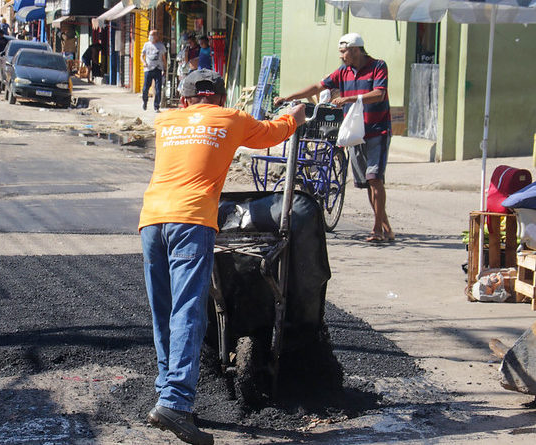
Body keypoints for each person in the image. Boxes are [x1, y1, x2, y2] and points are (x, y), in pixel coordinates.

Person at [139, 69, 305, 445]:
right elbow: (274, 133)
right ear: (220, 97)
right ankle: (177, 403)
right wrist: (295, 116)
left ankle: (167, 391)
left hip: (151, 220)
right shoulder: (232, 118)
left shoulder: (165, 121)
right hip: (192, 220)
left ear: (183, 100)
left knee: (163, 309)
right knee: (187, 310)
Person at [274, 33, 394, 242]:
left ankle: (377, 230)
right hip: (355, 132)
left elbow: (379, 94)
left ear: (356, 50)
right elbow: (318, 87)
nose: (341, 56)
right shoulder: (343, 71)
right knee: (367, 181)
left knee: (375, 177)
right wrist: (289, 97)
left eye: (344, 52)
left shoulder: (378, 66)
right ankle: (386, 227)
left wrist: (350, 98)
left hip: (377, 129)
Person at [140, 29, 166, 112]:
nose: (150, 36)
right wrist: (144, 62)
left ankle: (156, 106)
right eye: (150, 35)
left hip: (158, 69)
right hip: (148, 69)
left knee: (158, 89)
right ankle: (145, 102)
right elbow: (142, 56)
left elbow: (163, 58)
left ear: (156, 36)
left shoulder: (161, 46)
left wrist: (164, 69)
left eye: (152, 35)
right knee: (145, 88)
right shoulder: (146, 45)